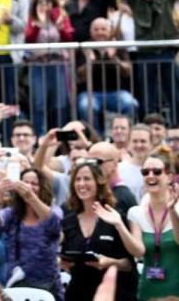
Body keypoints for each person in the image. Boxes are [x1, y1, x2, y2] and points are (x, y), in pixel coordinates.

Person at [110, 0, 179, 112]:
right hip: (145, 56)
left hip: (166, 54)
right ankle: (148, 128)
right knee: (148, 97)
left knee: (174, 95)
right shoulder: (136, 0)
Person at [60, 162, 138, 301]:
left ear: (99, 183)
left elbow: (128, 264)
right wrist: (64, 263)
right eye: (77, 179)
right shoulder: (68, 220)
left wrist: (109, 262)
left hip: (114, 292)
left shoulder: (114, 216)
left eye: (87, 179)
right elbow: (65, 257)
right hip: (78, 292)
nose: (81, 184)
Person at [0, 168, 62, 299]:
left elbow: (53, 222)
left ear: (42, 187)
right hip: (17, 282)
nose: (29, 186)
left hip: (48, 284)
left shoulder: (53, 210)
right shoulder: (13, 213)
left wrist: (31, 197)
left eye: (34, 183)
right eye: (25, 182)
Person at [121, 154, 179, 300]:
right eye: (145, 172)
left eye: (157, 171)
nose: (150, 176)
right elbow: (138, 252)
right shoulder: (136, 212)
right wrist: (118, 225)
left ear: (169, 177)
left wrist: (172, 210)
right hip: (148, 292)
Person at [24, 0, 73, 133]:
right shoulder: (32, 19)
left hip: (57, 64)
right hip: (38, 65)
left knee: (59, 104)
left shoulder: (60, 17)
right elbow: (29, 39)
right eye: (40, 1)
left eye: (47, 1)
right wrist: (38, 25)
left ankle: (59, 138)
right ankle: (39, 138)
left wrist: (61, 28)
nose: (44, 4)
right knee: (39, 104)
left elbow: (68, 38)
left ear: (52, 3)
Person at [78, 18, 138, 131]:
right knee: (85, 106)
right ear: (91, 32)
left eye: (103, 29)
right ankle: (96, 140)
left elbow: (127, 71)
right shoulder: (85, 47)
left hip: (116, 92)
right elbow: (80, 76)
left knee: (131, 104)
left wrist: (113, 58)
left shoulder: (118, 45)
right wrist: (90, 62)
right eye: (96, 29)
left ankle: (125, 135)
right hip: (91, 93)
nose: (100, 32)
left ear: (110, 31)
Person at [118, 125, 153, 200]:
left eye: (143, 141)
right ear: (129, 143)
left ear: (151, 144)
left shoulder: (158, 169)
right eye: (135, 141)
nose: (139, 145)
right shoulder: (119, 169)